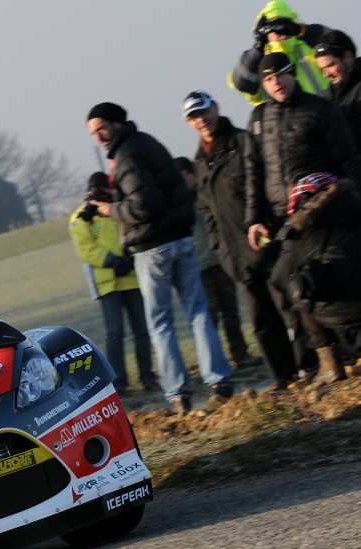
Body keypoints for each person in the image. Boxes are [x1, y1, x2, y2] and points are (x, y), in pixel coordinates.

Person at [86, 102, 233, 413]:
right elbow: (155, 190)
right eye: (93, 132)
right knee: (198, 312)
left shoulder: (125, 154)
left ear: (115, 124)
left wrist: (108, 210)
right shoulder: (148, 141)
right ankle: (219, 379)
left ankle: (177, 392)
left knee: (161, 323)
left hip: (153, 248)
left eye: (101, 128)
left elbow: (144, 205)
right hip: (182, 238)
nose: (98, 136)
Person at [244, 52, 361, 385]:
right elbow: (254, 173)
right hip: (283, 221)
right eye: (268, 78)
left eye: (280, 74)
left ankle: (333, 355)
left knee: (312, 281)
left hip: (325, 213)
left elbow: (349, 160)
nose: (275, 82)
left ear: (293, 74)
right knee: (285, 283)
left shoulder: (321, 109)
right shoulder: (258, 118)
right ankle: (325, 357)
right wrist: (254, 218)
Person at [183, 91, 299, 391]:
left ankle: (308, 366)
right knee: (261, 320)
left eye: (205, 112)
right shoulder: (198, 160)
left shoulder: (242, 141)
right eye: (194, 116)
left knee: (289, 308)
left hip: (264, 241)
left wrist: (265, 225)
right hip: (234, 253)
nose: (202, 120)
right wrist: (219, 247)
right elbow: (207, 209)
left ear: (216, 108)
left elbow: (261, 186)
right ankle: (283, 378)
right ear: (189, 122)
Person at [68, 172, 157, 393]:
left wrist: (131, 256)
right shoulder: (80, 217)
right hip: (107, 283)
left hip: (132, 278)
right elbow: (86, 249)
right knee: (115, 332)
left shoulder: (120, 208)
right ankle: (119, 382)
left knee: (142, 330)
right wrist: (112, 262)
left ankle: (148, 377)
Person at [174, 156, 261, 371]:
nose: (184, 180)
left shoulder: (207, 196)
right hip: (198, 268)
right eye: (180, 177)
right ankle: (214, 360)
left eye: (186, 174)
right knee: (209, 317)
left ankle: (240, 354)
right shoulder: (178, 204)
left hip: (220, 261)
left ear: (192, 173)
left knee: (231, 311)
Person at [276, 173, 361, 363]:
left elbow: (277, 279)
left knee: (298, 284)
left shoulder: (297, 232)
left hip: (336, 314)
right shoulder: (356, 207)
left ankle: (327, 360)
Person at [229, 0, 330, 105]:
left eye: (283, 25)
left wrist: (300, 30)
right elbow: (242, 84)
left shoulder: (309, 46)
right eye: (272, 27)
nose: (278, 31)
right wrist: (258, 47)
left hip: (324, 115)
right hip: (280, 118)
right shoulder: (260, 62)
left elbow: (336, 43)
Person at [314, 30, 361, 146]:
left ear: (348, 56)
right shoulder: (328, 97)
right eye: (322, 69)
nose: (326, 74)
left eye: (330, 65)